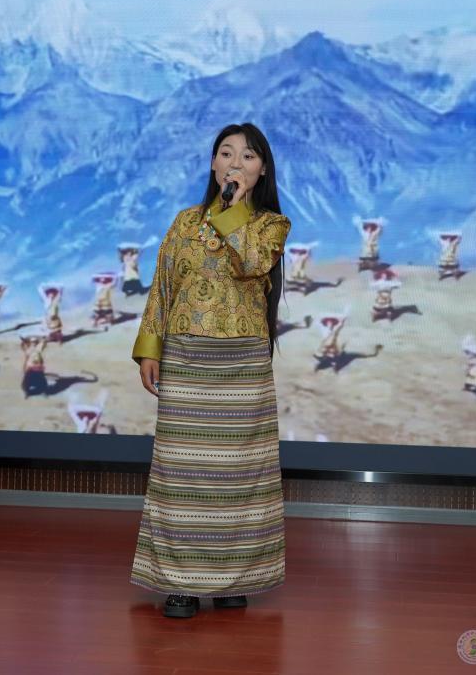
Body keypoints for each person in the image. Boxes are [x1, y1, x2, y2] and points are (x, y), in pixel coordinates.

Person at [131, 123, 290, 619]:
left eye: (247, 156)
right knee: (183, 475)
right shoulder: (184, 222)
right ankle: (179, 584)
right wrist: (150, 348)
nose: (235, 163)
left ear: (261, 170)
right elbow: (162, 286)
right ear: (213, 163)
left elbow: (251, 263)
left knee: (238, 479)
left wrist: (232, 209)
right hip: (186, 359)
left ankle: (232, 580)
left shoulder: (270, 225)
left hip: (242, 366)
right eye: (226, 153)